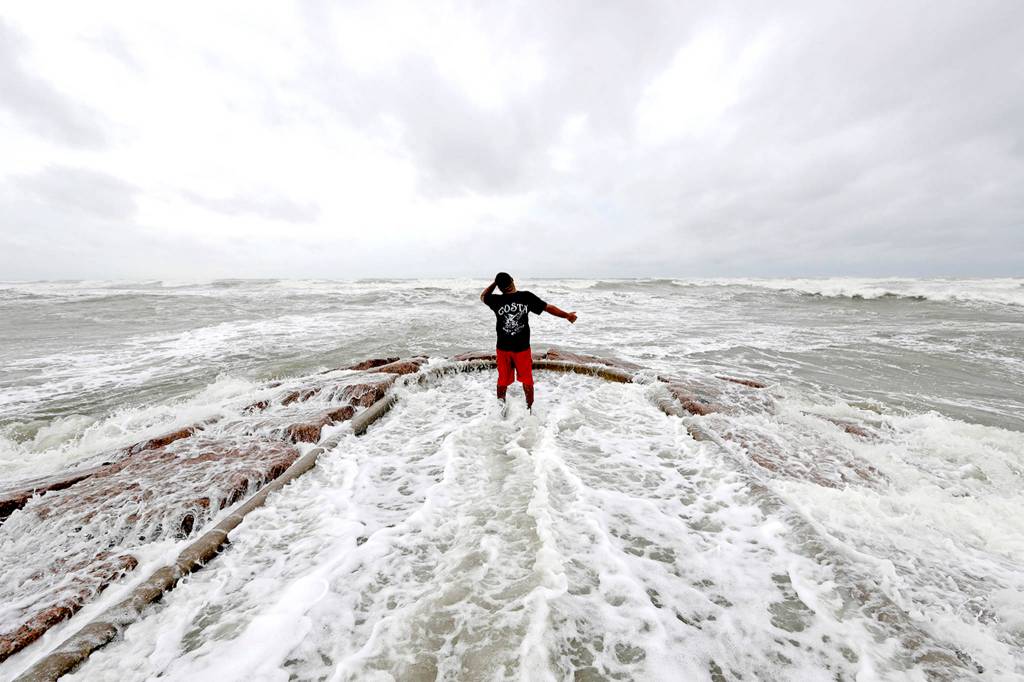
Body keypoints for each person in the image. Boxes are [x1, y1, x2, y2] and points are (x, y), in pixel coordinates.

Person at [479, 272, 577, 410]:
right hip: (522, 348)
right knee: (527, 380)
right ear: (512, 280)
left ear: (499, 288)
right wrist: (567, 315)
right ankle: (529, 409)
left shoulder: (496, 300)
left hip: (503, 349)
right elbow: (548, 308)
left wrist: (495, 283)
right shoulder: (525, 296)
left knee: (502, 381)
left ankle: (500, 409)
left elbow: (483, 296)